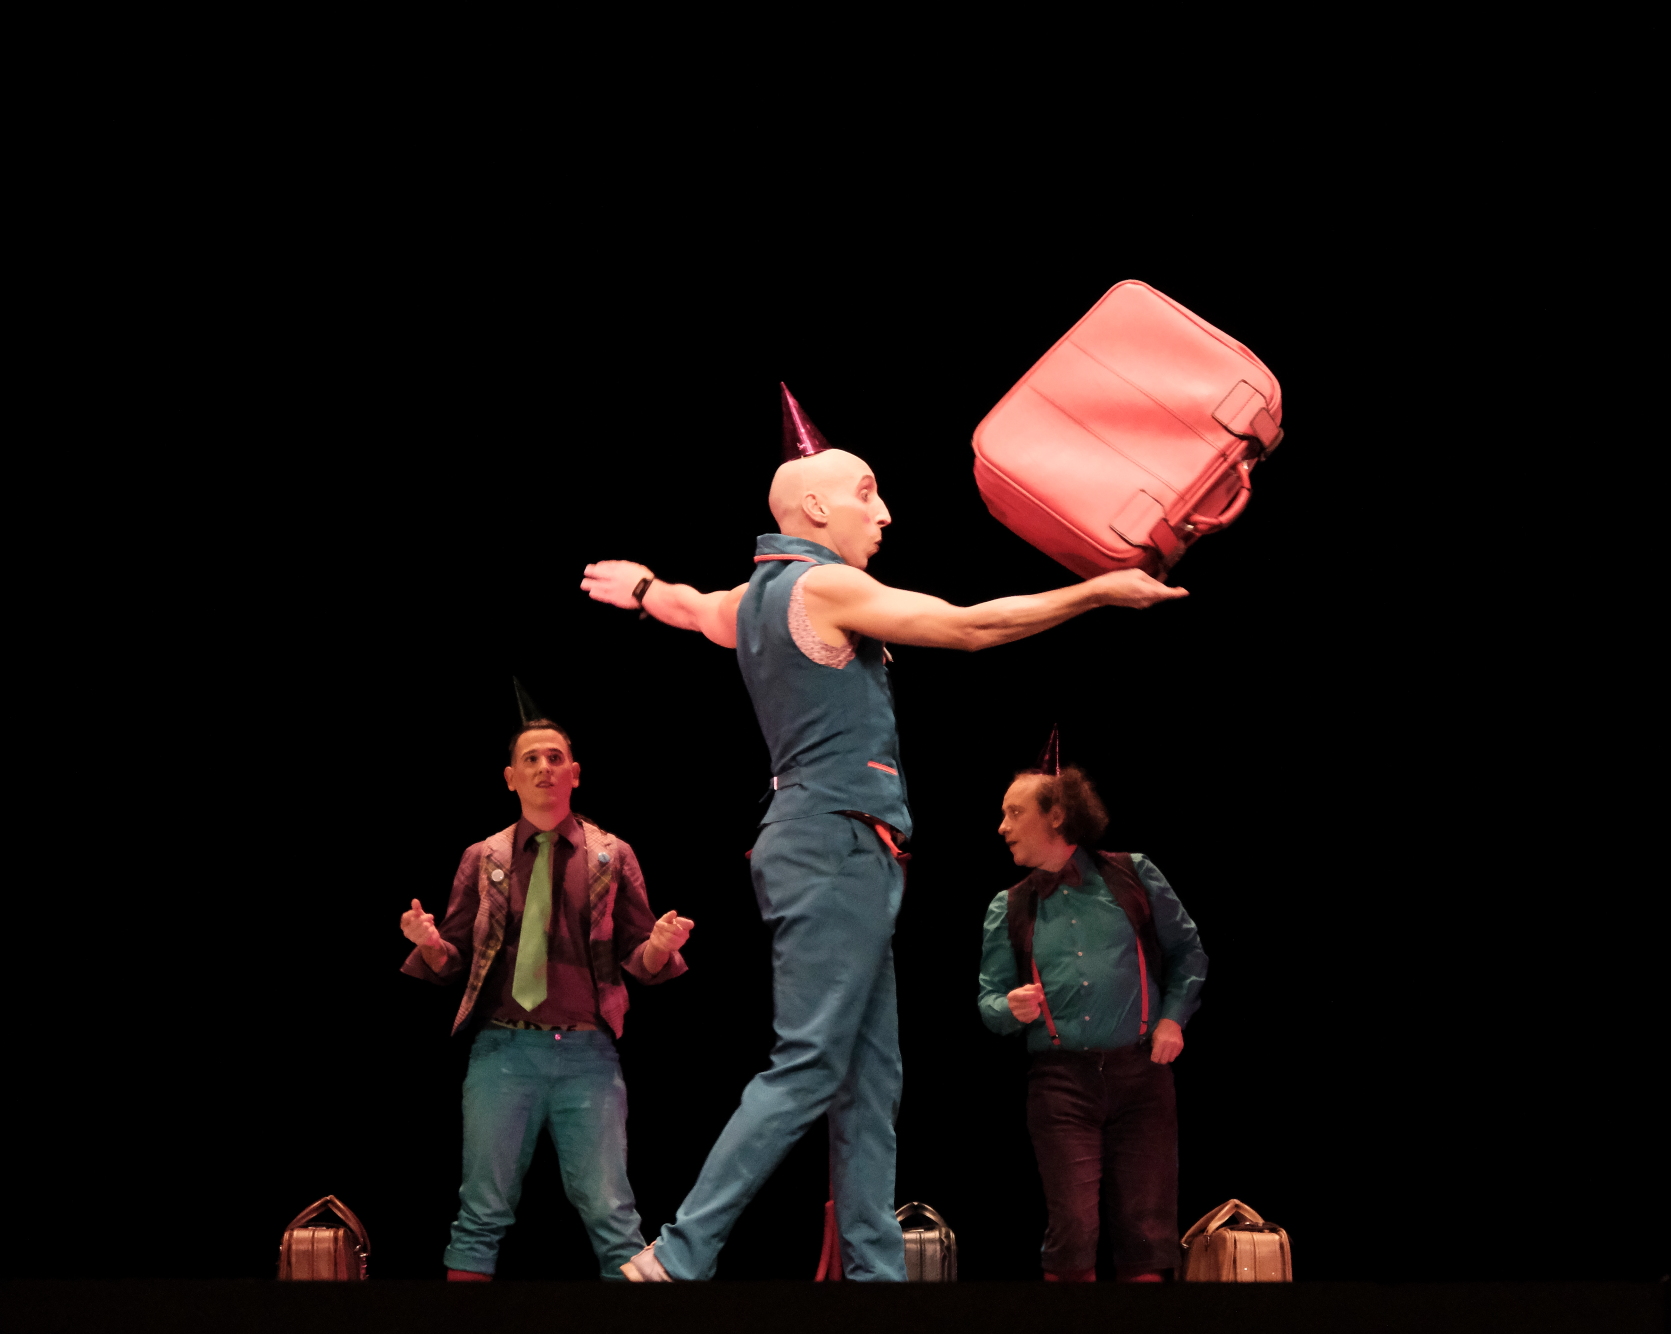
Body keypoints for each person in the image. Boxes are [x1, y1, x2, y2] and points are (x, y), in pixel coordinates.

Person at [580, 384, 1187, 1282]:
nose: (886, 511)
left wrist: (642, 588)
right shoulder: (825, 584)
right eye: (867, 492)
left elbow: (687, 606)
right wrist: (1097, 590)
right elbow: (969, 628)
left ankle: (875, 1275)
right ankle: (681, 1250)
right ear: (815, 508)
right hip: (833, 842)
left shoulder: (750, 599)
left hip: (834, 845)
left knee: (871, 1077)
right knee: (808, 1062)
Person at [399, 714, 695, 1281]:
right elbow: (454, 959)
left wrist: (659, 945)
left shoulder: (612, 854)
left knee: (614, 1216)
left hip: (587, 1056)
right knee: (480, 1213)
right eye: (530, 759)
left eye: (555, 758)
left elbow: (640, 958)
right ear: (510, 777)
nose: (544, 768)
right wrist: (430, 944)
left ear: (575, 774)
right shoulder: (484, 857)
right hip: (503, 1051)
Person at [977, 752, 1209, 1282]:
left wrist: (1173, 1019)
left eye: (1015, 813)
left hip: (1140, 1075)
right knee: (1074, 1233)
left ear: (1056, 815)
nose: (1002, 827)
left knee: (1146, 1235)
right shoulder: (1008, 906)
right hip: (1062, 1085)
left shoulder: (1132, 874)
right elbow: (989, 1001)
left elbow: (1189, 953)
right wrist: (1009, 1008)